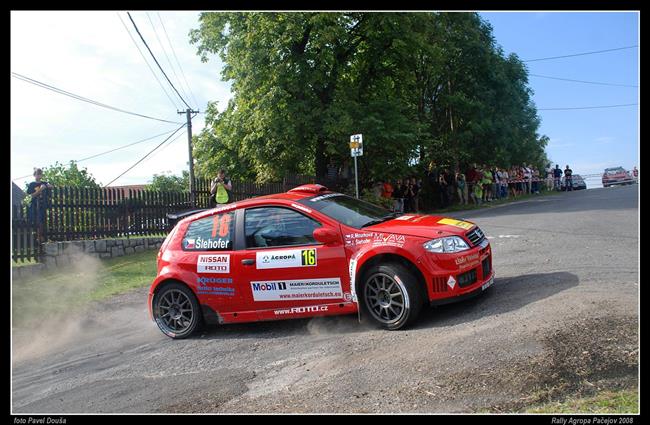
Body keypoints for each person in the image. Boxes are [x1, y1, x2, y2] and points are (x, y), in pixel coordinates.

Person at [26, 168, 53, 243]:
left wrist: (47, 185)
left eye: (40, 174)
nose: (38, 175)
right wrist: (40, 189)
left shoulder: (44, 183)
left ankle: (40, 236)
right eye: (37, 174)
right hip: (34, 205)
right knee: (35, 221)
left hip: (42, 205)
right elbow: (32, 195)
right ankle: (37, 236)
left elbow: (51, 187)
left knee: (42, 221)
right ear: (34, 175)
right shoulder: (32, 184)